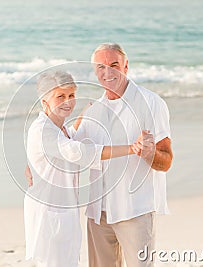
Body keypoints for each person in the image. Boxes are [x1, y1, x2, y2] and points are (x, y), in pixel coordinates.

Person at [24, 70, 144, 267]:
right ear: (45, 102)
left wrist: (82, 115)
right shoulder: (43, 130)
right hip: (50, 212)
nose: (68, 101)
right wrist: (131, 148)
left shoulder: (58, 127)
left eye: (71, 95)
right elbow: (78, 151)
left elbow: (71, 137)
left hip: (64, 209)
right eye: (60, 96)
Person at [74, 43, 173, 267]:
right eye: (100, 67)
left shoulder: (151, 103)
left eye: (114, 65)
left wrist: (149, 154)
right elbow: (70, 151)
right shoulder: (93, 110)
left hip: (135, 211)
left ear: (126, 66)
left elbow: (166, 161)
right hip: (98, 213)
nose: (107, 72)